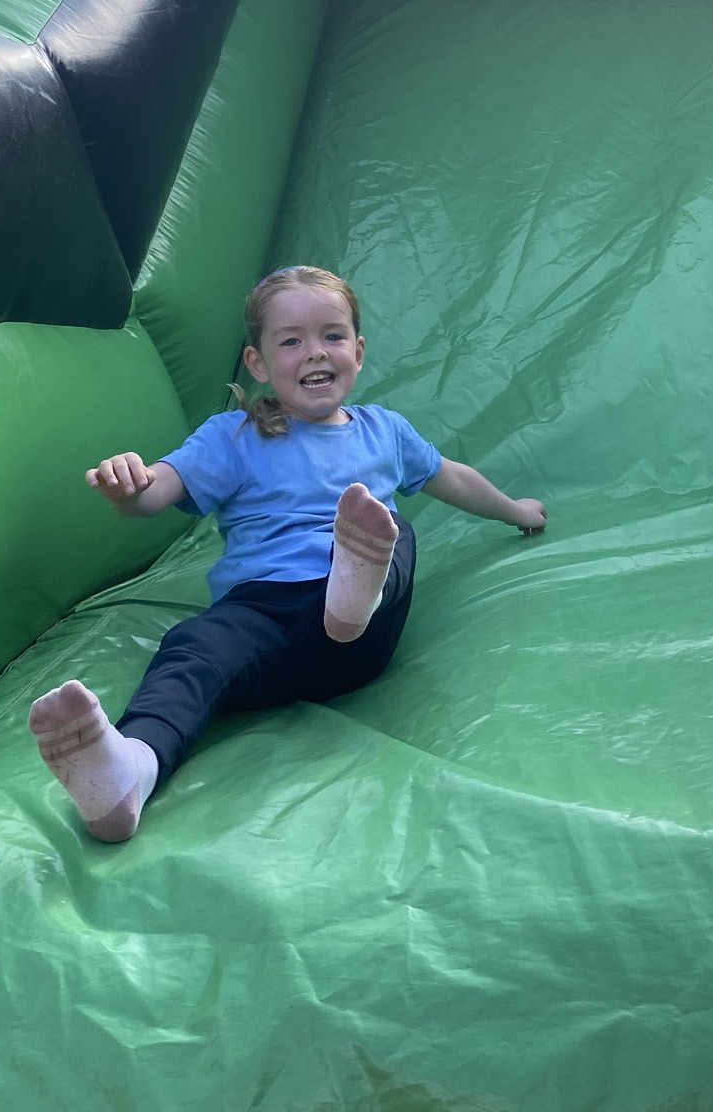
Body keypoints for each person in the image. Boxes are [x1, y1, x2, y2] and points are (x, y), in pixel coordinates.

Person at [27, 265, 546, 842]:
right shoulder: (233, 436)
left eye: (332, 335)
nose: (315, 352)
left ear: (358, 350)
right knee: (192, 649)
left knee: (392, 528)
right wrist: (128, 487)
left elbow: (453, 477)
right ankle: (129, 771)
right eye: (291, 341)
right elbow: (157, 491)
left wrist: (516, 510)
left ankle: (352, 589)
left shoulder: (384, 431)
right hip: (263, 622)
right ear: (258, 362)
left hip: (361, 634)